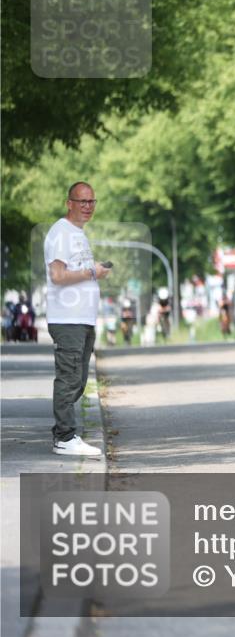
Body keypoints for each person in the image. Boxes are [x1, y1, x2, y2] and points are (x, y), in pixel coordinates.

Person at [43, 181, 109, 456]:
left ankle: (64, 434)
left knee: (78, 380)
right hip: (67, 319)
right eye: (82, 201)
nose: (87, 207)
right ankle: (65, 437)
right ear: (69, 203)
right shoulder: (61, 233)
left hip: (82, 319)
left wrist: (95, 272)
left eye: (91, 201)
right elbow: (58, 276)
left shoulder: (77, 234)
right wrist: (92, 273)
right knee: (69, 379)